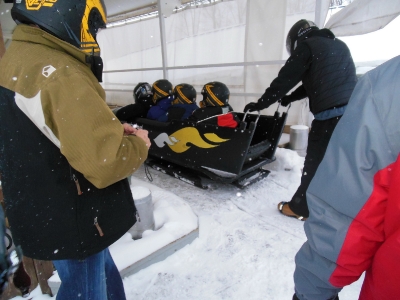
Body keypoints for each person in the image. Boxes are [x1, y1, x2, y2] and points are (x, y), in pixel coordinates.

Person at [0, 1, 151, 299]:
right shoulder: (61, 72)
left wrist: (104, 130)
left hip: (42, 209)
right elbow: (105, 162)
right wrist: (139, 143)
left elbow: (39, 128)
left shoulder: (15, 57)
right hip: (74, 215)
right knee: (86, 290)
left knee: (102, 272)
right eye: (93, 26)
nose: (93, 36)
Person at [293, 55, 400, 300]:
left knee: (320, 166)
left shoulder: (389, 87)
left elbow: (349, 203)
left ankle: (298, 203)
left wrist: (313, 290)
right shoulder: (336, 49)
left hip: (327, 115)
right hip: (342, 108)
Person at [243, 20, 357, 220]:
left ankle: (300, 208)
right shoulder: (338, 45)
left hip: (330, 118)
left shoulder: (308, 46)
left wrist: (261, 104)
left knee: (314, 164)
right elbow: (315, 82)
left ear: (296, 38)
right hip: (353, 115)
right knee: (338, 163)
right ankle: (338, 205)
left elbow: (284, 79)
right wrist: (289, 98)